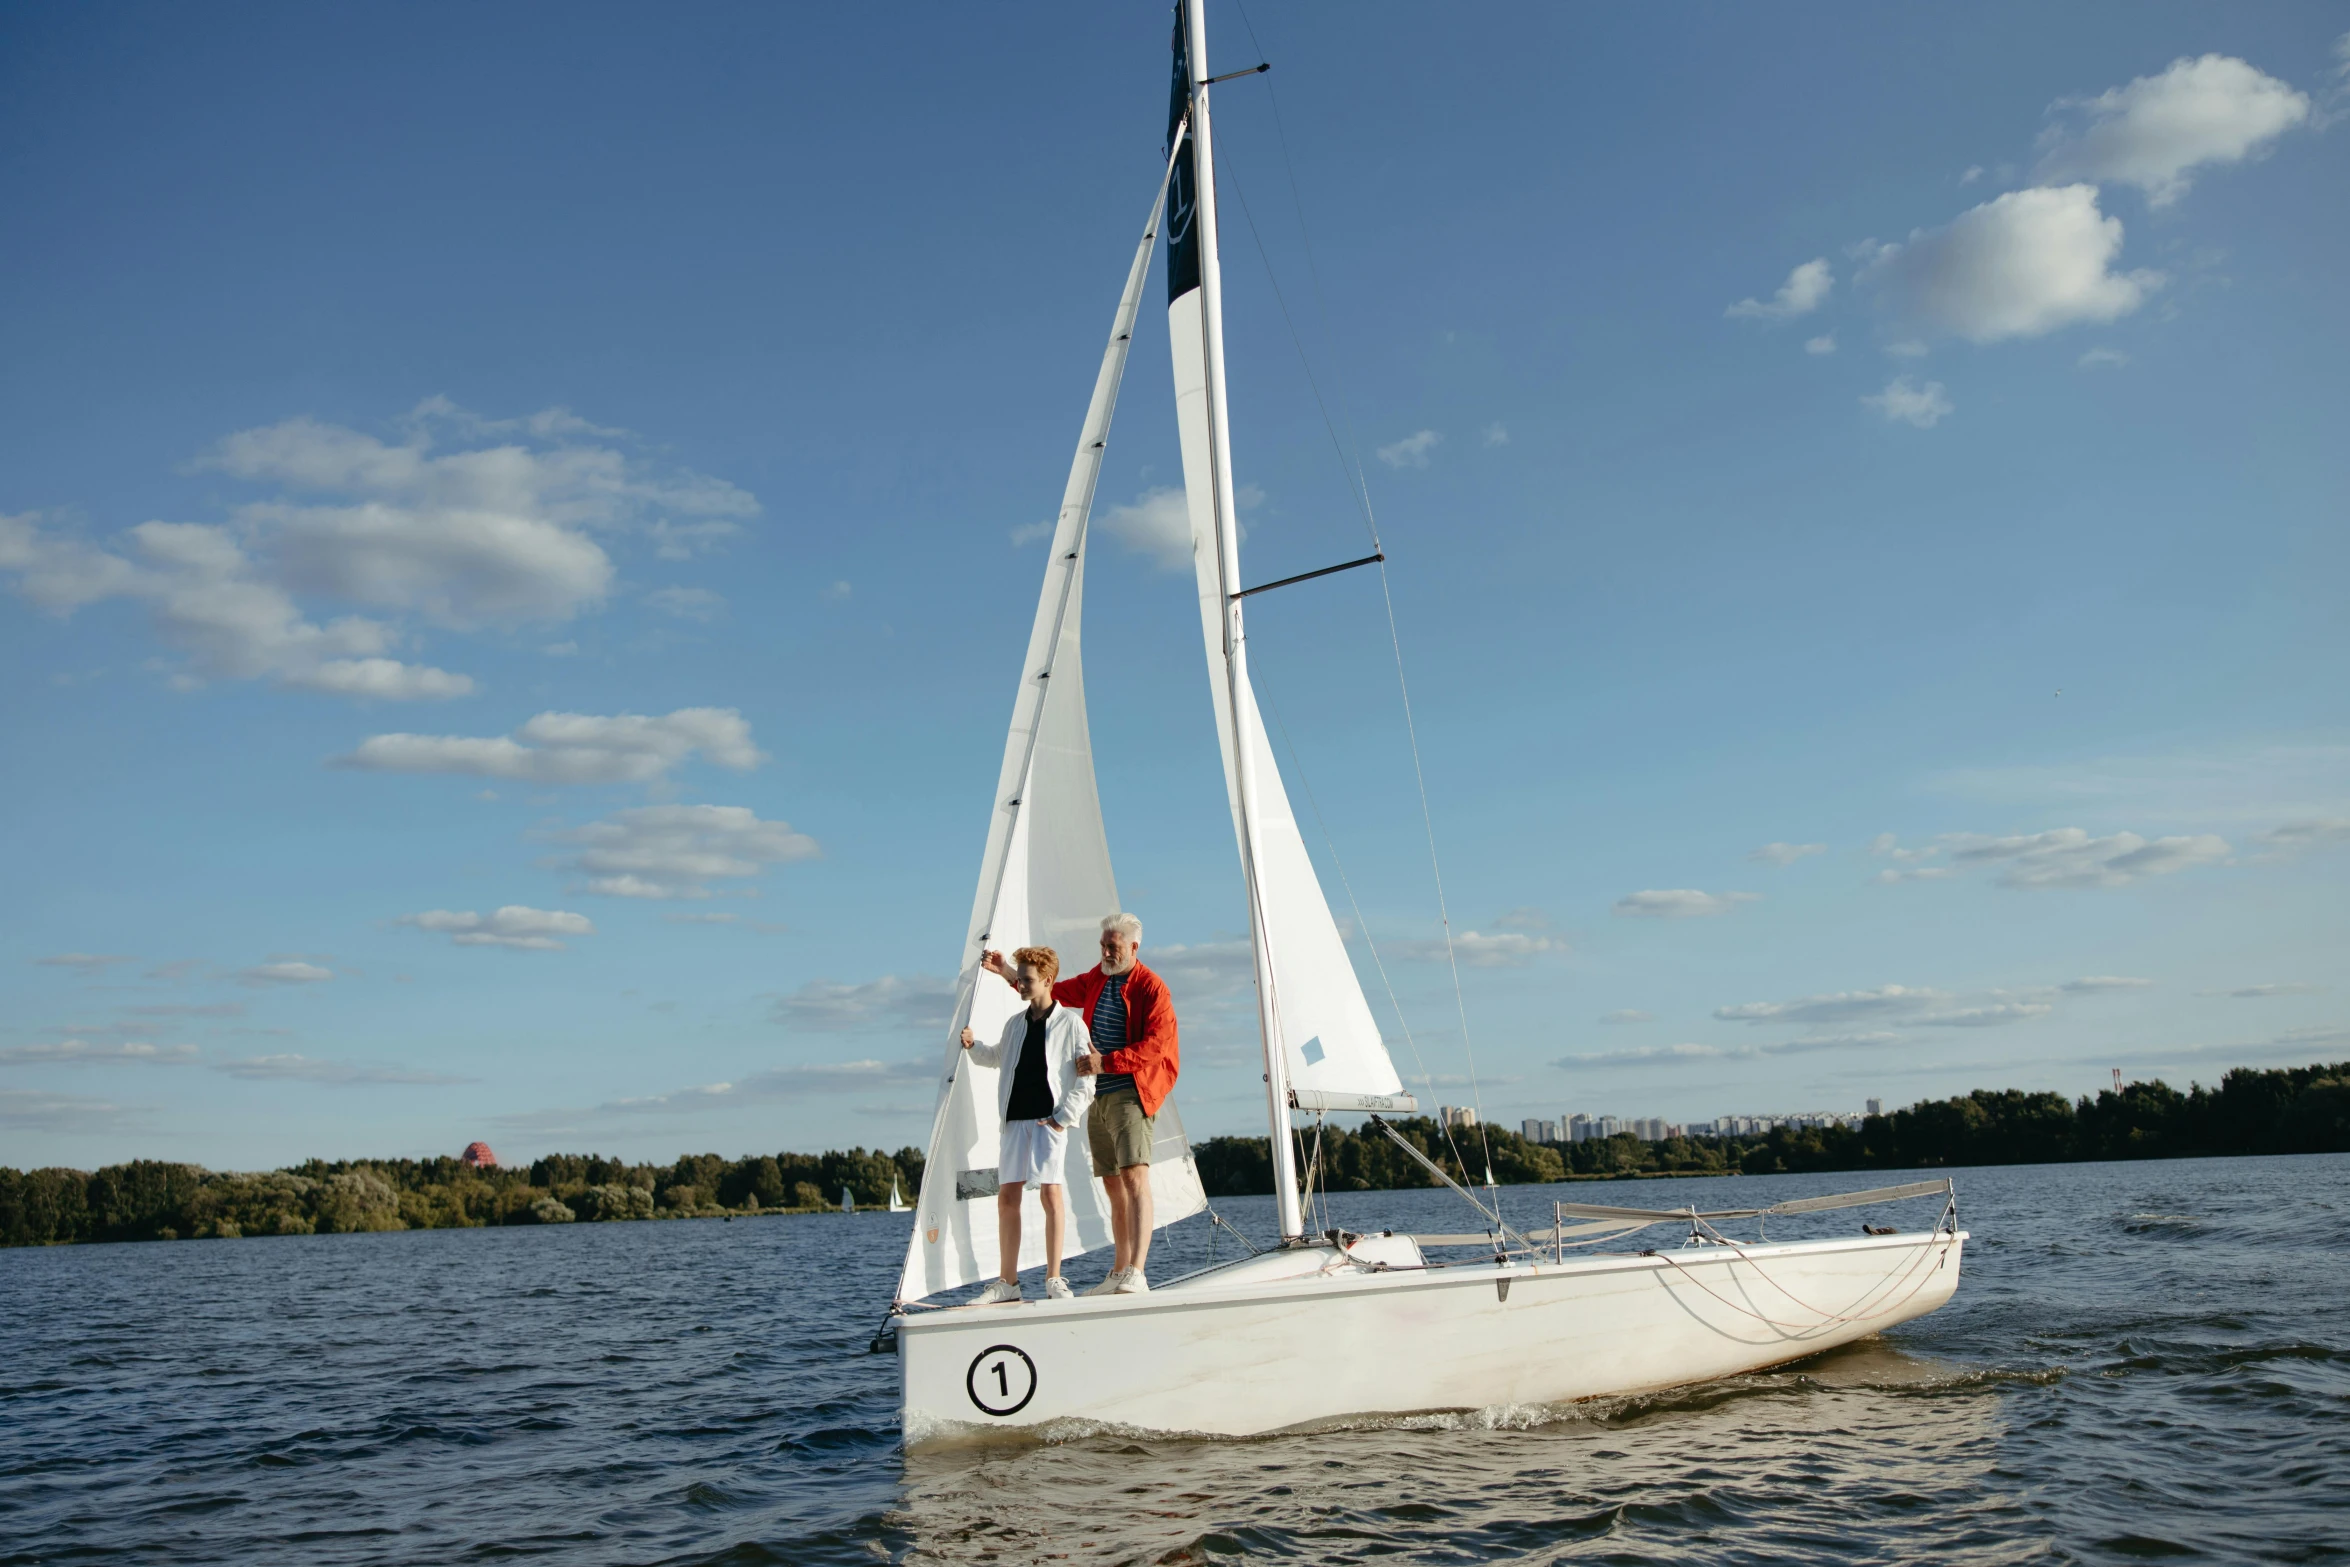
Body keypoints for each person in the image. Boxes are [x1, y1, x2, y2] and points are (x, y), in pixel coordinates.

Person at [984, 912, 1176, 1294]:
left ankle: (1137, 1270)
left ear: (1133, 947)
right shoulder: (1097, 978)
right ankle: (1120, 1270)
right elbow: (1053, 991)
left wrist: (1108, 1061)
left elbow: (1159, 1046)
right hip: (1099, 1094)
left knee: (1135, 1177)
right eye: (1103, 945)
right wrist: (1007, 971)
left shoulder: (1152, 988)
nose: (1106, 952)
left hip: (1131, 1091)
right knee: (1112, 1183)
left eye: (1114, 947)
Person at [961, 945, 1095, 1304]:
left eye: (1027, 980)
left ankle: (1054, 1278)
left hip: (1047, 1121)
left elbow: (1086, 1079)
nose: (1020, 985)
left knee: (1051, 1195)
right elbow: (997, 1058)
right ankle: (1008, 1282)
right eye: (1018, 979)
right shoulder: (1014, 1024)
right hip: (1014, 1118)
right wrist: (973, 1046)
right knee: (1008, 1197)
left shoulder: (1071, 1024)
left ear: (1047, 980)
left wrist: (1063, 1118)